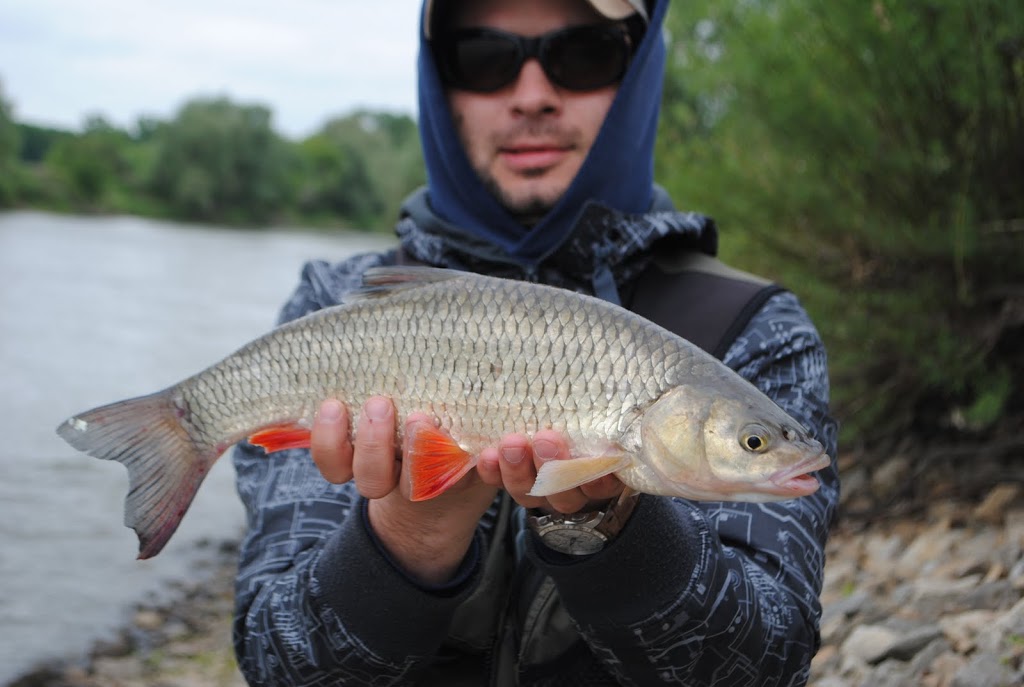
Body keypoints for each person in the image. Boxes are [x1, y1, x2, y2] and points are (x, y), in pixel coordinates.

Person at [232, 0, 840, 684]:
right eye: (484, 59)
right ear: (438, 85)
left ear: (639, 74)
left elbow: (766, 665)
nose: (531, 96)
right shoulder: (334, 306)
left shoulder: (755, 326)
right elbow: (276, 664)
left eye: (583, 55)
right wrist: (411, 533)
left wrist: (613, 528)